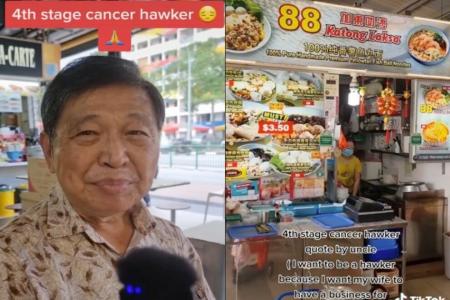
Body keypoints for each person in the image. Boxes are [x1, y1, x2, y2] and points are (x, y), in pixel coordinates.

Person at [0, 56, 214, 300]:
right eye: (88, 132)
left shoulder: (173, 239)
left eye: (136, 132)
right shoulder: (12, 260)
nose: (115, 157)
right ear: (49, 151)